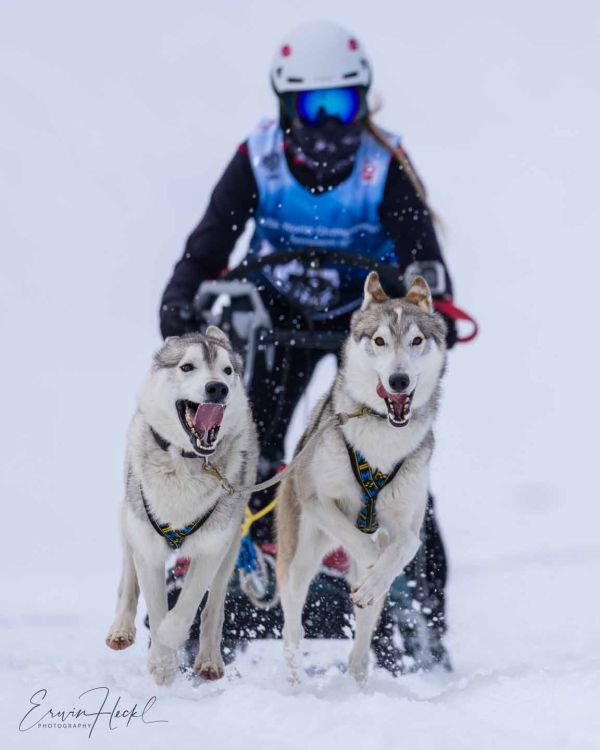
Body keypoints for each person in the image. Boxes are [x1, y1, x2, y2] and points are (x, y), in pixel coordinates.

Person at [159, 20, 474, 673]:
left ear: (363, 103)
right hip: (278, 311)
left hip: (368, 319)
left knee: (395, 455)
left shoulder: (383, 165)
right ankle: (234, 573)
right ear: (286, 106)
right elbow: (211, 239)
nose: (329, 125)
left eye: (343, 105)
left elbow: (422, 255)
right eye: (313, 107)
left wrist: (431, 303)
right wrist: (182, 295)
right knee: (256, 443)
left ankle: (421, 614)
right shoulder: (259, 158)